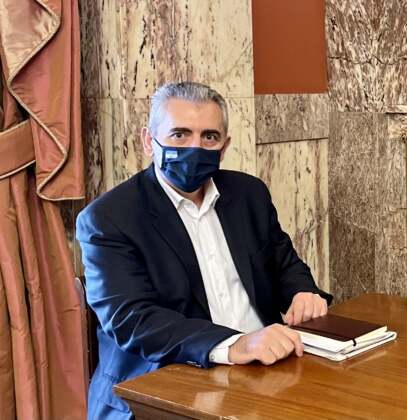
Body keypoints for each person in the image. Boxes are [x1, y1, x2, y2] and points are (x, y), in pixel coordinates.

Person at [77, 81, 332, 419]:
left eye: (209, 137)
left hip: (264, 375)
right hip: (166, 385)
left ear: (224, 147)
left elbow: (283, 262)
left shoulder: (248, 194)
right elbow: (132, 319)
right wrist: (233, 344)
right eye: (179, 135)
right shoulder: (109, 218)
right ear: (148, 141)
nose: (194, 148)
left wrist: (302, 292)